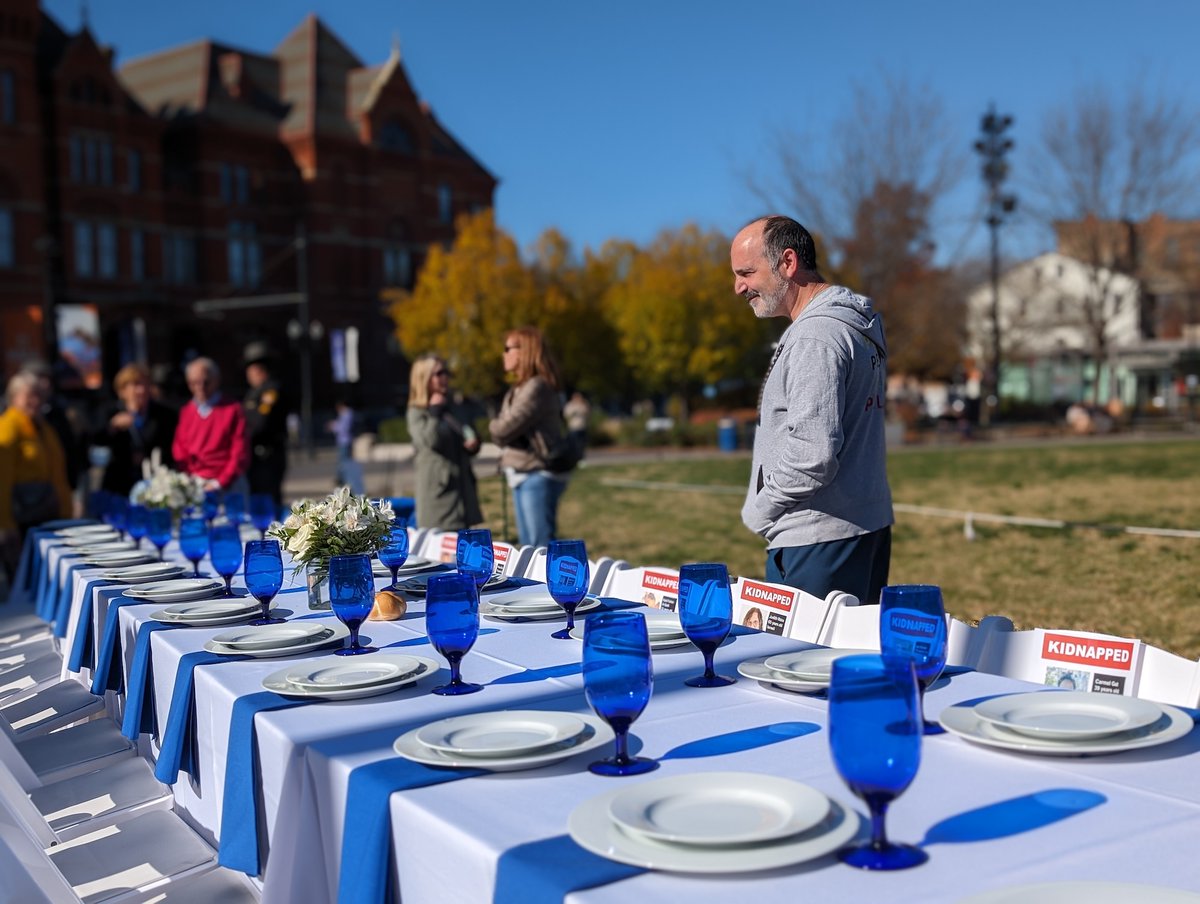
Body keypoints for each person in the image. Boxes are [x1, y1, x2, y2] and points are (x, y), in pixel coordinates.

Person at [731, 215, 893, 605]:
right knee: (848, 659)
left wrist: (759, 509)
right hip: (861, 530)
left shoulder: (816, 336)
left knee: (801, 662)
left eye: (747, 273)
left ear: (788, 263)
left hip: (817, 540)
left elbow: (812, 455)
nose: (738, 288)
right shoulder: (853, 326)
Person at [488, 326, 571, 548]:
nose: (503, 354)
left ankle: (547, 583)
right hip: (522, 472)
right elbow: (503, 429)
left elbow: (502, 430)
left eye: (508, 348)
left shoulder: (537, 387)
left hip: (536, 473)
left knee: (538, 547)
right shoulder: (520, 388)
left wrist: (496, 426)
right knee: (528, 546)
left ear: (525, 351)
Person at [0, 371, 73, 579]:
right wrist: (4, 524)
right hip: (20, 522)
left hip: (45, 515)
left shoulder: (43, 427)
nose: (36, 400)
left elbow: (59, 472)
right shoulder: (7, 427)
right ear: (14, 397)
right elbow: (2, 480)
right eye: (29, 395)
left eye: (39, 395)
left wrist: (66, 510)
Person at [406, 354, 482, 530]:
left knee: (463, 551)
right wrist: (434, 412)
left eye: (446, 372)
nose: (445, 377)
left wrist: (473, 444)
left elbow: (469, 433)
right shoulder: (417, 412)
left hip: (462, 494)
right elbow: (429, 440)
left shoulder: (454, 406)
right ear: (424, 378)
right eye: (439, 373)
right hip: (438, 498)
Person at [96, 363, 178, 496]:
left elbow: (170, 448)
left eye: (144, 384)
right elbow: (96, 442)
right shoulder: (110, 413)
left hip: (154, 485)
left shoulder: (165, 415)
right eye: (135, 385)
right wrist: (112, 427)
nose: (141, 390)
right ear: (122, 391)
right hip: (119, 485)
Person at [172, 357, 250, 494]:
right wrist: (190, 477)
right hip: (195, 484)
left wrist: (220, 482)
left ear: (216, 380)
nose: (200, 387)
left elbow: (239, 450)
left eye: (206, 382)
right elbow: (180, 449)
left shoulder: (232, 409)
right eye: (194, 383)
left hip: (228, 484)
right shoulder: (186, 411)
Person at [242, 343, 289, 509]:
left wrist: (242, 434)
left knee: (268, 498)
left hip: (267, 454)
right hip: (254, 455)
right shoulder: (253, 393)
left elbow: (262, 421)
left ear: (259, 370)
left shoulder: (271, 390)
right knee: (256, 497)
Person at [327, 397, 364, 494]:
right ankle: (342, 482)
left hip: (344, 441)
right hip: (344, 441)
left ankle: (343, 483)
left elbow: (344, 428)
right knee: (343, 462)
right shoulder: (346, 414)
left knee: (344, 463)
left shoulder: (346, 414)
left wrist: (333, 426)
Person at [563, 391, 591, 457]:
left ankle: (581, 457)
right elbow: (566, 415)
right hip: (573, 427)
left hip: (582, 427)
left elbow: (587, 413)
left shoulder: (584, 404)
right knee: (574, 444)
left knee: (582, 444)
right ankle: (575, 457)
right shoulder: (570, 405)